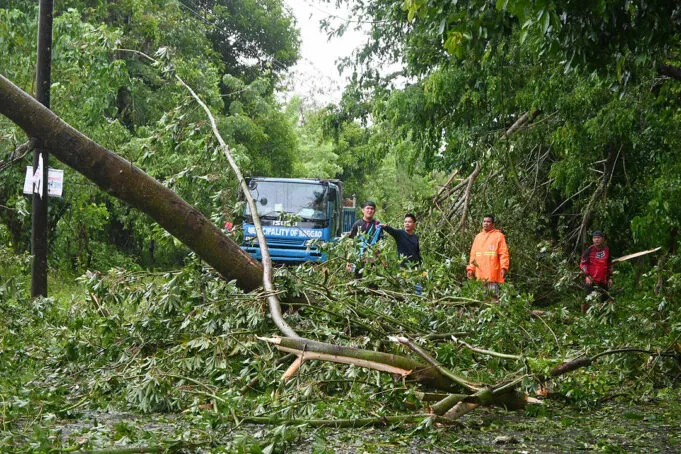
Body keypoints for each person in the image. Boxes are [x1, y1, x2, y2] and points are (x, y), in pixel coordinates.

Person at [466, 214, 510, 299]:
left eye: (488, 222)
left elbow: (503, 254)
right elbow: (473, 255)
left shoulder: (498, 236)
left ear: (493, 224)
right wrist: (470, 269)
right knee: (481, 300)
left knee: (493, 300)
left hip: (492, 275)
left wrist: (504, 268)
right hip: (480, 276)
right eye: (484, 221)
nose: (485, 223)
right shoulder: (478, 237)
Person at [579, 230, 613, 313]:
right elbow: (583, 264)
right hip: (591, 279)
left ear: (603, 239)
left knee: (604, 300)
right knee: (588, 299)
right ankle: (584, 317)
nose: (596, 240)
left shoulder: (606, 250)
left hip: (603, 279)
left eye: (598, 238)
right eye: (594, 238)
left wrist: (610, 278)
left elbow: (609, 265)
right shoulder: (589, 250)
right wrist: (586, 276)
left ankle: (601, 316)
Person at [346, 201, 383, 274]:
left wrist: (382, 260)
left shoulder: (378, 225)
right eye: (368, 208)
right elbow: (350, 243)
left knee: (373, 283)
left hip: (373, 261)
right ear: (362, 210)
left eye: (372, 209)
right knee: (358, 281)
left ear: (374, 211)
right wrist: (348, 262)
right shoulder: (357, 224)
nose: (370, 210)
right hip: (359, 260)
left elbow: (381, 243)